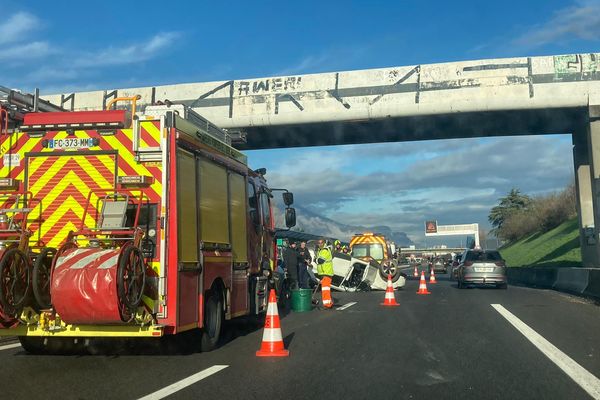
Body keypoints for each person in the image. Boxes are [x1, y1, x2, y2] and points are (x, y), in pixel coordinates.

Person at [316, 239, 334, 309]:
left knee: (325, 289)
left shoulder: (325, 250)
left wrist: (315, 260)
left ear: (324, 243)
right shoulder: (320, 250)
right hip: (324, 273)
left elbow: (320, 260)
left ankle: (327, 305)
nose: (320, 244)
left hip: (326, 273)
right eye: (319, 243)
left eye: (321, 243)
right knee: (325, 289)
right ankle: (329, 302)